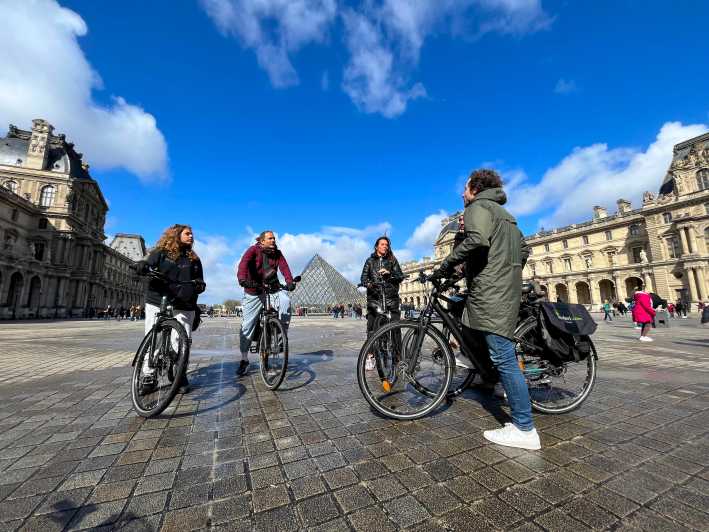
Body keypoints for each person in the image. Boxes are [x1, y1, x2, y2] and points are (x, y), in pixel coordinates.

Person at [430, 168, 539, 450]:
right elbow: (524, 250)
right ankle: (487, 377)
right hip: (500, 289)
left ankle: (525, 429)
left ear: (475, 189)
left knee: (503, 356)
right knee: (469, 330)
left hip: (492, 293)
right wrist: (504, 271)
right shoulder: (505, 215)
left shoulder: (477, 208)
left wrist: (445, 265)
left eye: (465, 188)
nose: (462, 193)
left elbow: (476, 240)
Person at [136, 224, 206, 395]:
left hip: (184, 303)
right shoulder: (160, 252)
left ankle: (179, 373)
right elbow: (147, 262)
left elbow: (201, 281)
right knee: (155, 338)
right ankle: (148, 375)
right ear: (176, 235)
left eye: (192, 234)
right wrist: (142, 265)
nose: (191, 237)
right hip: (158, 299)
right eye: (187, 233)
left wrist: (199, 285)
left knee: (182, 341)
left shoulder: (194, 259)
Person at [236, 230, 295, 377]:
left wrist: (289, 281)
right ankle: (244, 359)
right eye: (270, 238)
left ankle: (280, 335)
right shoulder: (253, 250)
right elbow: (243, 264)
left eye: (274, 238)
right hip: (254, 290)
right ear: (262, 241)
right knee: (248, 325)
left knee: (286, 302)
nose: (273, 240)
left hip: (272, 288)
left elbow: (285, 268)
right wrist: (242, 278)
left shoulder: (278, 254)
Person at [360, 236, 404, 370]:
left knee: (396, 330)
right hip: (375, 299)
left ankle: (398, 358)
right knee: (372, 329)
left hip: (391, 299)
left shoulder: (392, 260)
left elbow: (400, 276)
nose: (385, 246)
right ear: (376, 246)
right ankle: (371, 356)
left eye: (387, 245)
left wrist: (389, 274)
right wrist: (370, 284)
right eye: (382, 244)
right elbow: (363, 278)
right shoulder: (369, 261)